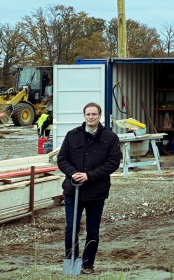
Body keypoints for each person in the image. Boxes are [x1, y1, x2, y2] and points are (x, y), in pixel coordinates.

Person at [56, 102, 121, 275]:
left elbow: (113, 163)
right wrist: (73, 173)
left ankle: (87, 264)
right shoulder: (72, 136)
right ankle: (71, 262)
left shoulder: (110, 138)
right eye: (88, 114)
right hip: (73, 190)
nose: (90, 117)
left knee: (93, 230)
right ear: (84, 116)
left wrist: (89, 176)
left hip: (96, 192)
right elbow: (62, 159)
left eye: (94, 114)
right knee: (71, 228)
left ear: (100, 116)